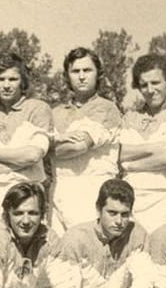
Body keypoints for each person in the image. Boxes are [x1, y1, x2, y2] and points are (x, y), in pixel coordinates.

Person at [119, 54, 166, 233]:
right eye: (144, 85)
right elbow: (118, 154)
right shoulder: (130, 117)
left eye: (155, 83)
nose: (150, 90)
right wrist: (155, 147)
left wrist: (129, 164)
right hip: (129, 201)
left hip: (164, 201)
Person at [0, 52, 53, 230]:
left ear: (22, 81)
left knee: (30, 245)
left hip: (29, 195)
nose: (6, 85)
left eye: (13, 79)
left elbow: (33, 155)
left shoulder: (38, 108)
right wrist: (19, 161)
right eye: (0, 79)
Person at [51, 47, 122, 234]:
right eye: (75, 71)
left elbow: (78, 146)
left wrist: (48, 148)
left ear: (98, 74)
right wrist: (46, 148)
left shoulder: (106, 108)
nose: (81, 76)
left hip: (93, 189)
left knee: (88, 246)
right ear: (67, 76)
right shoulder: (56, 113)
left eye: (87, 70)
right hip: (60, 191)